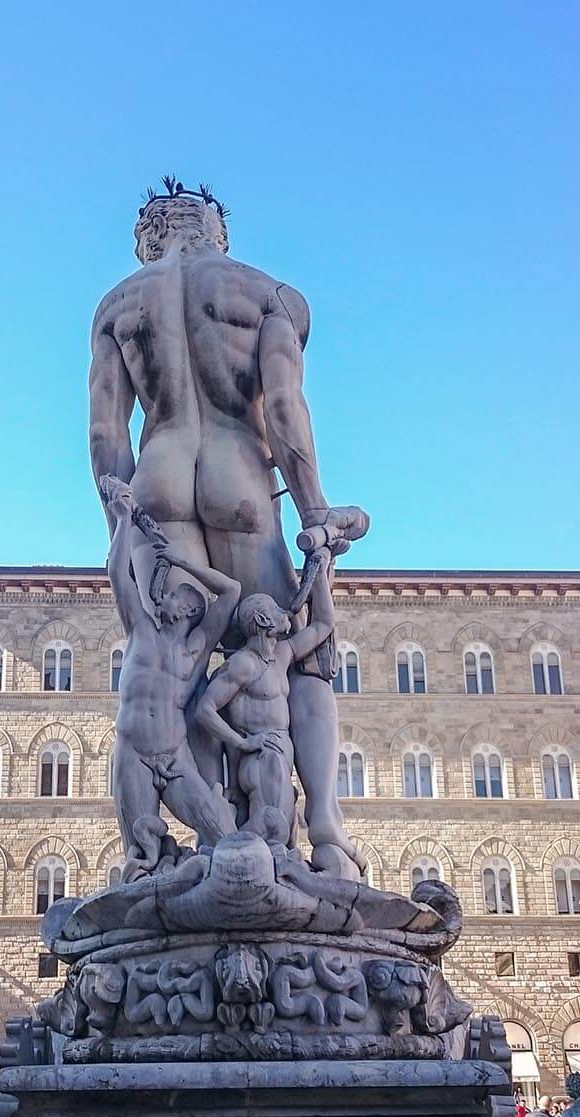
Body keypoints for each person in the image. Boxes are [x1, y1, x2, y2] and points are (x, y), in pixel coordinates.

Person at [89, 179, 369, 878]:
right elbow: (282, 407)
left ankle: (210, 839)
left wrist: (120, 531)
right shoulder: (265, 293)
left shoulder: (118, 305)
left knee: (181, 665)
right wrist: (313, 513)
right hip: (239, 475)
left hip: (157, 482)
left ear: (149, 238)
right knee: (292, 655)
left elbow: (104, 434)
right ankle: (325, 834)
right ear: (217, 231)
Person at [102, 475, 240, 857]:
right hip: (134, 752)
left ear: (190, 610)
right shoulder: (141, 629)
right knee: (138, 856)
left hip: (176, 755)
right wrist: (123, 519)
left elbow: (231, 592)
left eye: (176, 593)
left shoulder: (197, 647)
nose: (164, 595)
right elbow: (117, 574)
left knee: (223, 835)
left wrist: (183, 561)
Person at [195, 552, 335, 841]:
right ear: (262, 620)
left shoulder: (281, 655)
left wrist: (320, 575)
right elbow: (205, 710)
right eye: (274, 609)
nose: (283, 611)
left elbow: (322, 626)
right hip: (261, 759)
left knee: (284, 836)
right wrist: (244, 742)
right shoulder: (243, 664)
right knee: (272, 830)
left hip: (281, 755)